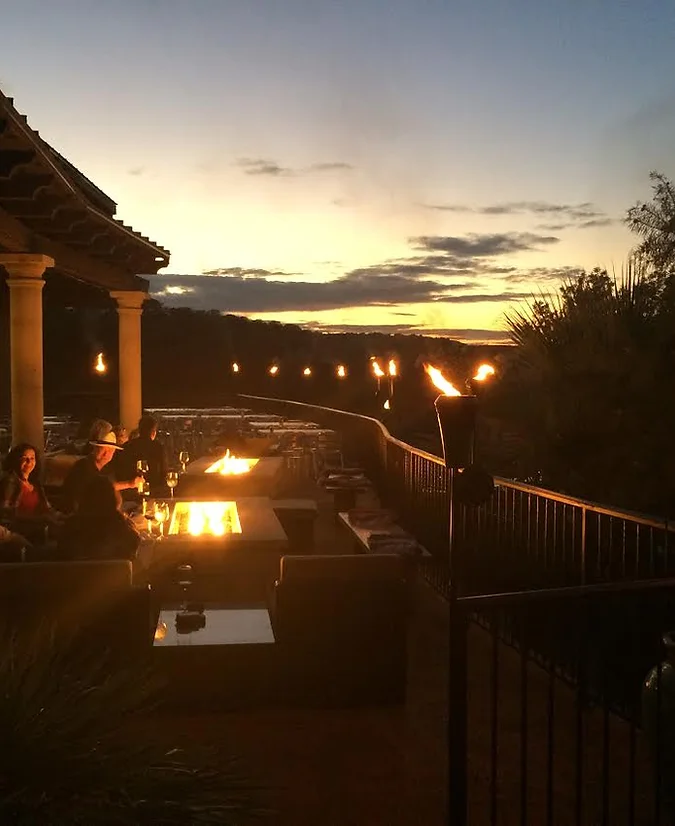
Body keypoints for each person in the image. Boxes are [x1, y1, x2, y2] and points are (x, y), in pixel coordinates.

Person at [58, 473, 140, 561]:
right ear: (113, 498)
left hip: (75, 574)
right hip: (113, 573)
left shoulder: (70, 526)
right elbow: (135, 549)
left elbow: (61, 554)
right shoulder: (122, 527)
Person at [62, 426, 142, 514]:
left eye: (110, 450)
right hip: (79, 516)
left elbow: (112, 490)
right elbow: (100, 489)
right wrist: (130, 484)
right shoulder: (83, 466)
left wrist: (118, 509)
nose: (106, 454)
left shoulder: (106, 469)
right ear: (95, 449)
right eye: (103, 449)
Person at [0, 443, 54, 519]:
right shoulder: (10, 482)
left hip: (39, 526)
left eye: (32, 458)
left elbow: (47, 508)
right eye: (24, 458)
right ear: (15, 460)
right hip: (19, 528)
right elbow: (5, 514)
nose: (29, 462)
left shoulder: (35, 484)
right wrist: (36, 519)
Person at [121, 415, 168, 495]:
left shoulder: (127, 446)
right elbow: (164, 471)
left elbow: (121, 470)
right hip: (154, 491)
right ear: (153, 431)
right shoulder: (158, 447)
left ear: (139, 430)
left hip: (128, 492)